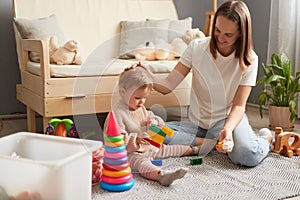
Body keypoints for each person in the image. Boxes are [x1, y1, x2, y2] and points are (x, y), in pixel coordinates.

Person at [145, 0, 272, 167]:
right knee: (149, 131)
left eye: (228, 35)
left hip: (226, 121)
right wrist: (144, 75)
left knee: (247, 155)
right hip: (196, 124)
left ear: (241, 33)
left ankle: (265, 138)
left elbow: (239, 106)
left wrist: (227, 130)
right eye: (217, 30)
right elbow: (168, 84)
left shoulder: (249, 60)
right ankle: (206, 142)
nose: (220, 37)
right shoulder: (196, 47)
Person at [105, 64, 202, 186]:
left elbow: (150, 117)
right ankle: (161, 175)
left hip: (148, 147)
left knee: (168, 148)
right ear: (123, 92)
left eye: (145, 98)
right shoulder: (117, 113)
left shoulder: (139, 107)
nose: (142, 102)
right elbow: (117, 140)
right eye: (138, 98)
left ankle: (195, 150)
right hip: (129, 154)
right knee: (141, 162)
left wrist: (155, 121)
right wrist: (137, 140)